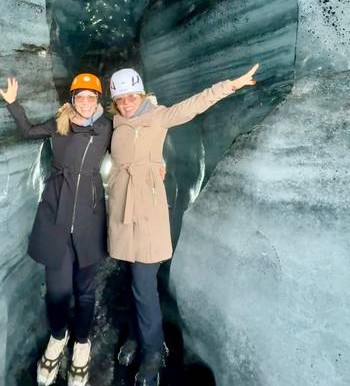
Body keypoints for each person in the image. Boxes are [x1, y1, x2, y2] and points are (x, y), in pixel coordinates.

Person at [107, 64, 259, 386]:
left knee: (144, 284)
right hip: (122, 212)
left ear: (141, 93)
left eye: (131, 96)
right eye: (121, 99)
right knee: (130, 280)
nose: (127, 103)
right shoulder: (116, 125)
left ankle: (153, 351)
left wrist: (230, 85)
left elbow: (193, 105)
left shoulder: (158, 116)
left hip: (147, 211)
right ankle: (136, 335)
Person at [0, 73, 112, 386]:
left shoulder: (107, 127)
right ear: (72, 99)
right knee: (58, 291)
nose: (86, 103)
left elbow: (133, 144)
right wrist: (13, 104)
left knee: (86, 292)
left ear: (98, 100)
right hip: (55, 215)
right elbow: (28, 131)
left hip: (90, 218)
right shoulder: (60, 122)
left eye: (91, 97)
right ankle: (58, 339)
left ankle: (82, 346)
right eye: (80, 97)